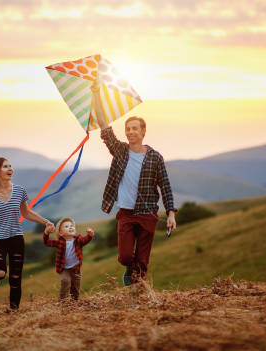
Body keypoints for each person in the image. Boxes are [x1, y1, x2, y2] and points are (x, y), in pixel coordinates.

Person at [90, 80, 177, 286]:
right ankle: (130, 270)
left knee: (143, 261)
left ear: (143, 132)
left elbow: (165, 186)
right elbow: (104, 125)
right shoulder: (120, 151)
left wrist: (171, 213)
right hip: (127, 214)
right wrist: (95, 94)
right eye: (127, 129)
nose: (130, 132)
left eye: (134, 128)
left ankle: (139, 294)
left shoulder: (155, 157)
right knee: (126, 257)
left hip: (148, 213)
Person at [0, 157, 55, 310]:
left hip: (16, 239)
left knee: (15, 278)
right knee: (0, 272)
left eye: (11, 166)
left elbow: (26, 213)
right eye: (6, 166)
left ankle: (14, 311)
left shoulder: (20, 191)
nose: (10, 169)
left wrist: (46, 221)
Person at [43, 217, 94, 302]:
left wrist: (90, 235)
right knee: (65, 280)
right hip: (64, 268)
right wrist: (46, 233)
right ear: (61, 233)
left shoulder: (78, 240)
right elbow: (46, 242)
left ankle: (74, 303)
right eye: (66, 226)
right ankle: (63, 302)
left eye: (71, 226)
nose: (70, 227)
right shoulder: (59, 242)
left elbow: (85, 240)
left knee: (76, 287)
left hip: (76, 268)